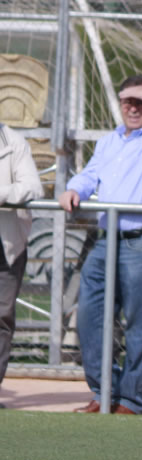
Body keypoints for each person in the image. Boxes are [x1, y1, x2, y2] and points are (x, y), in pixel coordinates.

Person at [58, 74, 142, 415]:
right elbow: (89, 175)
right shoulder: (108, 142)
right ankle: (104, 391)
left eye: (140, 101)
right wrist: (74, 189)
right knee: (89, 317)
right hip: (105, 240)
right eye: (128, 101)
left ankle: (131, 400)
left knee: (138, 324)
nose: (133, 108)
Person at [0, 124, 44, 388]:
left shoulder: (13, 141)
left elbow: (33, 187)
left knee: (1, 318)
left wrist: (2, 194)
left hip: (6, 247)